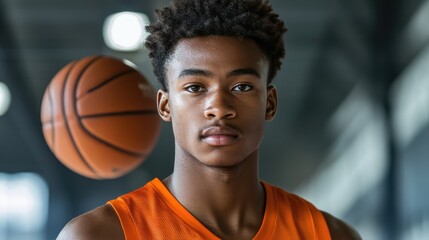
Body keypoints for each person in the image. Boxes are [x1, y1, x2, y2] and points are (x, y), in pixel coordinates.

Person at [57, 0, 361, 239]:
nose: (218, 107)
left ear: (269, 103)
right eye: (195, 88)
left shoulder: (331, 236)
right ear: (164, 106)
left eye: (241, 87)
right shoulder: (100, 235)